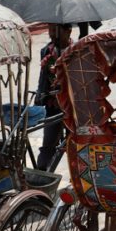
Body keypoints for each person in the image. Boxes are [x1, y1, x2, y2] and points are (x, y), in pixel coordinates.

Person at [35, 23, 72, 171]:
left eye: (55, 31)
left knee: (75, 144)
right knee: (48, 144)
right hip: (53, 105)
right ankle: (41, 176)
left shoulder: (78, 50)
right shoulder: (46, 51)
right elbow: (43, 77)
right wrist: (39, 96)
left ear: (68, 31)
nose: (52, 35)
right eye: (50, 31)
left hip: (72, 106)